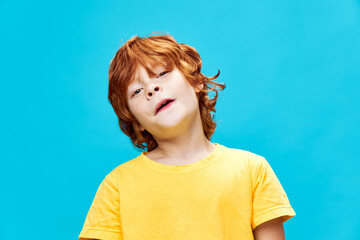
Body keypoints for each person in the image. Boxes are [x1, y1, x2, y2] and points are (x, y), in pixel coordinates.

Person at [78, 34, 296, 240]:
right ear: (135, 122)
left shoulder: (252, 170)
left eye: (162, 73)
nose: (151, 88)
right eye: (136, 91)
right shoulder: (116, 186)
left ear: (195, 81)